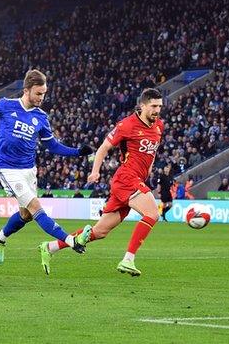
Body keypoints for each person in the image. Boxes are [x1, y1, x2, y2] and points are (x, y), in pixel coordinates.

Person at [0, 69, 93, 264]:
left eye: (44, 93)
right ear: (26, 90)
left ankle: (0, 237)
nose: (42, 97)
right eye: (38, 93)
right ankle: (71, 241)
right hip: (6, 167)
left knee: (26, 215)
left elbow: (52, 146)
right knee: (35, 207)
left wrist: (77, 152)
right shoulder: (6, 105)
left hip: (28, 169)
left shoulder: (41, 118)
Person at [39, 88, 164, 276]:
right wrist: (95, 171)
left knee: (100, 231)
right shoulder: (127, 125)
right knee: (152, 213)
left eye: (160, 106)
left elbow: (151, 154)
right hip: (126, 178)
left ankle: (50, 247)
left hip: (137, 179)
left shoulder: (158, 126)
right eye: (153, 106)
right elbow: (104, 147)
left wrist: (149, 172)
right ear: (143, 106)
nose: (157, 110)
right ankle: (128, 259)